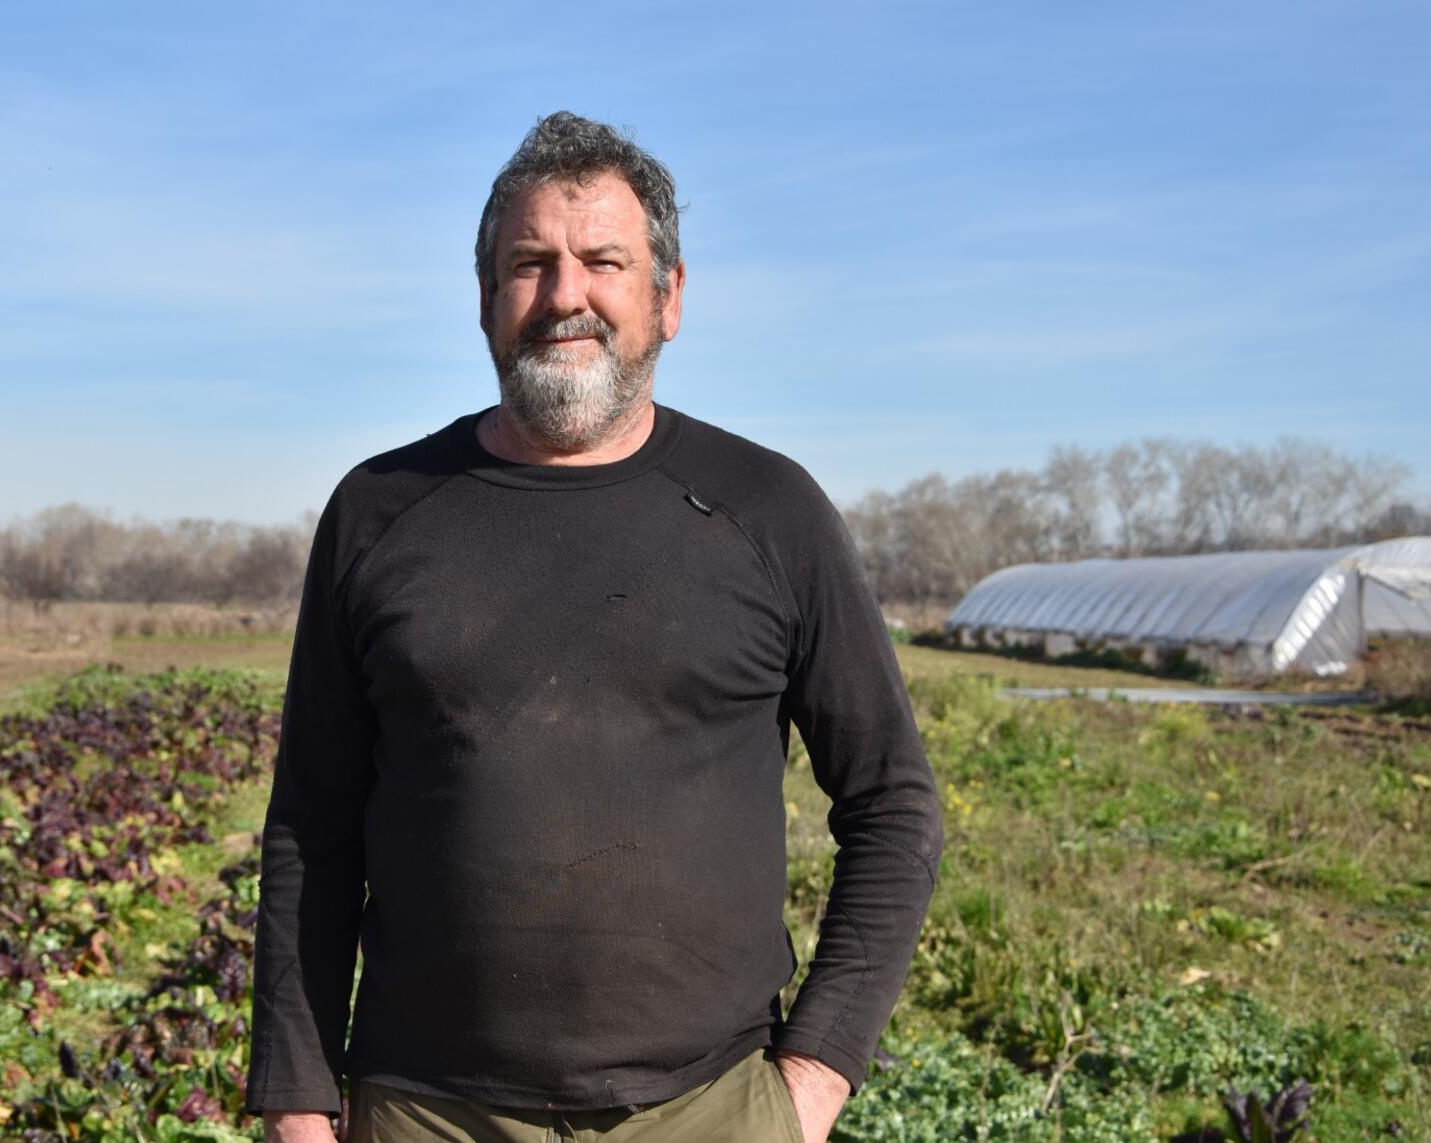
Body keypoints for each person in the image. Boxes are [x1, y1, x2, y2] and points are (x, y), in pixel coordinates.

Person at [245, 111, 943, 1143]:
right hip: (425, 1110)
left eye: (602, 261)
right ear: (485, 299)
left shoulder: (769, 511)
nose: (563, 294)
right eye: (529, 263)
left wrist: (811, 1078)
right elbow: (313, 822)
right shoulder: (380, 510)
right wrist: (298, 1100)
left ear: (666, 296)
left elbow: (890, 804)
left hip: (708, 1108)